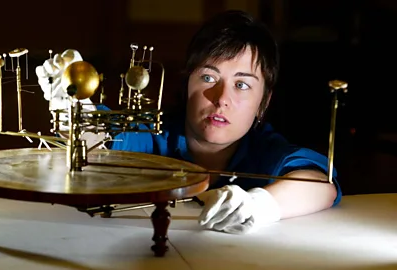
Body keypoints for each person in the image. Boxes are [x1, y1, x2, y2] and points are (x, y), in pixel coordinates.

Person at [36, 10, 342, 235]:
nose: (222, 98)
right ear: (187, 85)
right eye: (208, 78)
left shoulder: (265, 150)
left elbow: (320, 183)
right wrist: (75, 108)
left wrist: (261, 204)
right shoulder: (155, 135)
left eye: (242, 85)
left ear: (265, 101)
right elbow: (100, 139)